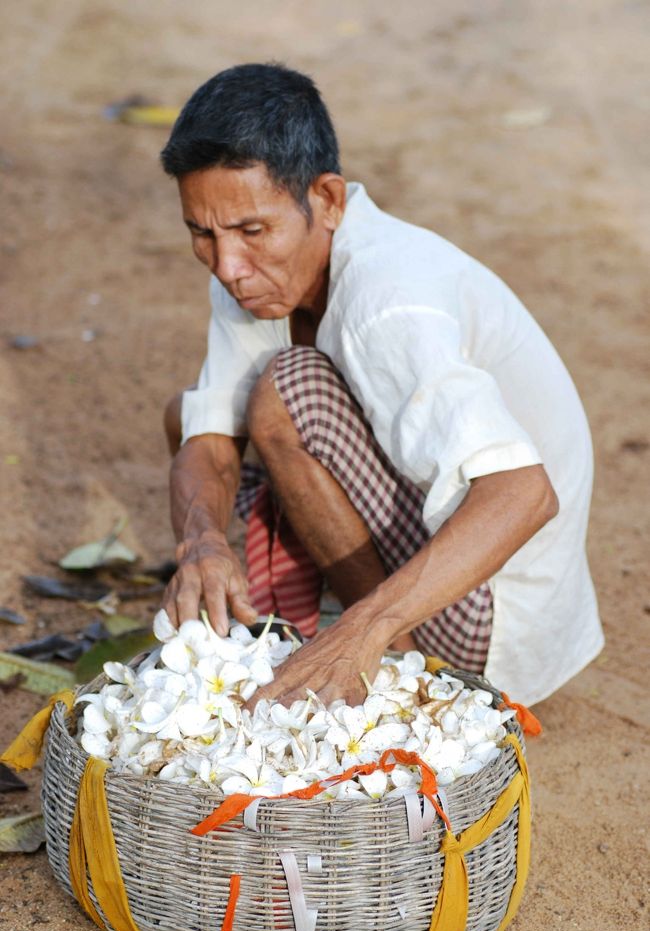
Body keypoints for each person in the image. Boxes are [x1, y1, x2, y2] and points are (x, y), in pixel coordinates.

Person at [159, 62, 603, 709]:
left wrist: (364, 632)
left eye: (252, 231)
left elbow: (523, 494)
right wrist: (200, 543)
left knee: (286, 393)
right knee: (193, 420)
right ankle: (341, 622)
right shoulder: (254, 272)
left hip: (495, 606)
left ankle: (397, 663)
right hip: (427, 545)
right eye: (203, 233)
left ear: (328, 199)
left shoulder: (390, 303)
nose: (227, 266)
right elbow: (204, 437)